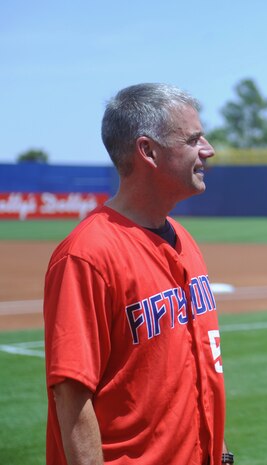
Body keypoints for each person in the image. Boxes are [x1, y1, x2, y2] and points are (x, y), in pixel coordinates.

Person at [43, 83, 235, 465]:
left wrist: (222, 454)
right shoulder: (86, 256)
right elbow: (71, 396)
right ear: (147, 151)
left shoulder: (184, 239)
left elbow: (200, 369)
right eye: (193, 139)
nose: (208, 149)